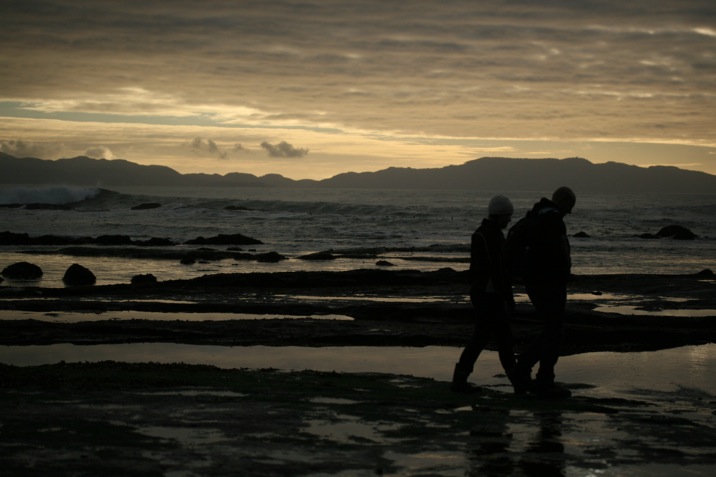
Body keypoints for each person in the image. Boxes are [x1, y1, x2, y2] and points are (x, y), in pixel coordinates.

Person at [510, 186, 576, 399]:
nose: (570, 212)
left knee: (551, 329)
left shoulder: (536, 215)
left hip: (534, 282)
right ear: (564, 202)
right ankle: (542, 378)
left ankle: (530, 368)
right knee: (554, 331)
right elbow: (554, 256)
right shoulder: (554, 221)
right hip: (549, 283)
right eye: (570, 207)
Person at [451, 195, 517, 393]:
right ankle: (518, 381)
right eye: (508, 216)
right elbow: (498, 270)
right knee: (498, 339)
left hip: (482, 293)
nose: (510, 220)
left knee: (488, 337)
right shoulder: (494, 236)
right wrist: (508, 297)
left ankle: (461, 378)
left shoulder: (481, 233)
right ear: (500, 215)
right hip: (490, 295)